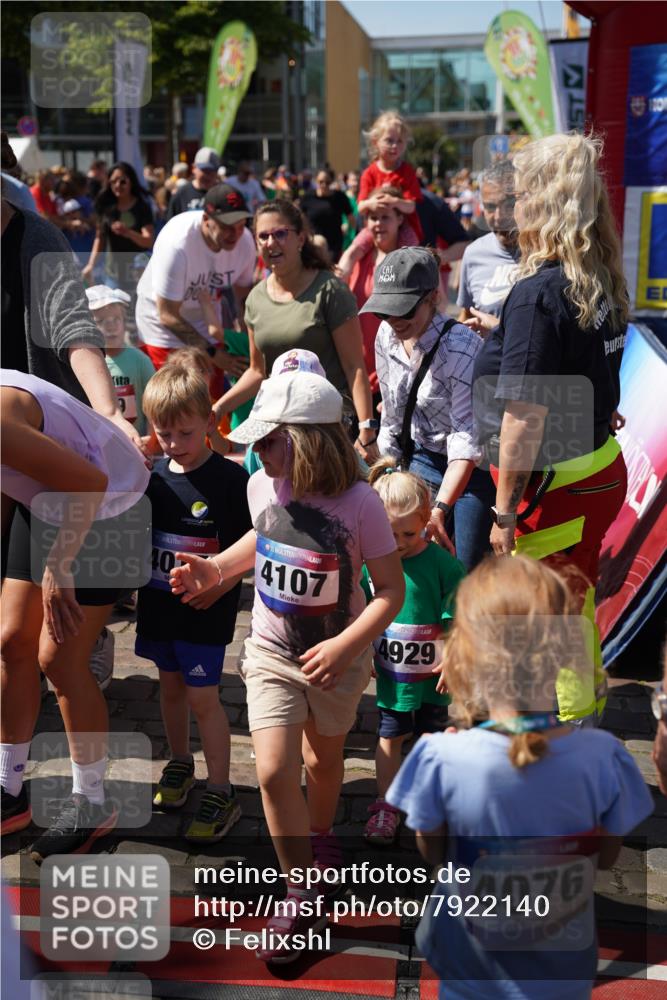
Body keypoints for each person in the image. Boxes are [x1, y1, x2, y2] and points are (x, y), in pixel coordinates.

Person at [170, 368, 404, 963]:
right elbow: (262, 539)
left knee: (322, 762)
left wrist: (346, 647)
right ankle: (299, 889)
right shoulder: (264, 486)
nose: (258, 452)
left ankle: (320, 838)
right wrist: (216, 571)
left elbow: (390, 594)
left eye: (269, 441)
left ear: (308, 441)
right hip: (270, 651)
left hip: (336, 661)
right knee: (274, 771)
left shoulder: (361, 503)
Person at [386, 556, 654, 1000]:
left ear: (467, 656)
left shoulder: (441, 757)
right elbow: (606, 859)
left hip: (470, 969)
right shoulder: (605, 758)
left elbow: (432, 851)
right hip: (562, 972)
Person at [472, 132, 630, 725]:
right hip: (591, 468)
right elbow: (590, 373)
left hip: (551, 486)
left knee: (548, 614)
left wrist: (504, 512)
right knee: (573, 604)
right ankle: (578, 723)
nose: (512, 205)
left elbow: (523, 415)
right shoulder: (599, 276)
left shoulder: (540, 293)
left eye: (522, 193)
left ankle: (561, 740)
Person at [0, 370, 149, 850]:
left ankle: (92, 800)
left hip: (110, 502)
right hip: (45, 496)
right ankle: (8, 788)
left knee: (58, 659)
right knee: (9, 639)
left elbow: (91, 481)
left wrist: (58, 565)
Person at [135, 365, 251, 842]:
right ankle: (180, 762)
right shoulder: (154, 476)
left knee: (204, 697)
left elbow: (247, 547)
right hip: (160, 607)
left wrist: (219, 587)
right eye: (164, 433)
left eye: (185, 431)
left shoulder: (229, 479)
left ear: (209, 421)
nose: (174, 442)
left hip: (205, 612)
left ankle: (221, 788)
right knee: (169, 688)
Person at [212, 199, 381, 466]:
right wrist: (218, 408)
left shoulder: (330, 290)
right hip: (275, 430)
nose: (271, 243)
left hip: (326, 428)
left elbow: (354, 367)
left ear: (301, 238)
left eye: (280, 233)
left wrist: (366, 429)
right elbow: (257, 372)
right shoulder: (256, 298)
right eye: (263, 236)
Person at [361, 246, 495, 571]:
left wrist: (439, 508)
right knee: (411, 562)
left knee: (463, 569)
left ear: (433, 297)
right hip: (420, 458)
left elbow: (466, 438)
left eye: (404, 310)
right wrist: (388, 472)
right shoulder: (386, 335)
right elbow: (392, 413)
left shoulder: (462, 348)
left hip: (472, 472)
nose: (393, 320)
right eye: (384, 310)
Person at [361, 459, 465, 846]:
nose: (400, 543)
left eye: (409, 532)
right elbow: (361, 607)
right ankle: (386, 804)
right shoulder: (372, 560)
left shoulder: (443, 565)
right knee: (390, 736)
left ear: (426, 519)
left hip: (433, 678)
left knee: (429, 739)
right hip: (393, 674)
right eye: (390, 534)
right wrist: (363, 650)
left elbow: (458, 617)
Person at [134, 183, 255, 379]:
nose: (236, 234)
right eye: (227, 226)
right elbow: (167, 314)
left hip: (205, 324)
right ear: (206, 219)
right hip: (160, 328)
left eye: (241, 225)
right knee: (172, 402)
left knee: (210, 402)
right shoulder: (178, 243)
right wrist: (214, 354)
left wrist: (248, 342)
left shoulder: (245, 243)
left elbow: (244, 300)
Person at [344, 185, 404, 402]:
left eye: (385, 217)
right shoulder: (359, 258)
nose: (378, 224)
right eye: (373, 217)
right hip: (358, 373)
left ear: (400, 219)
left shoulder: (409, 260)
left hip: (397, 377)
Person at [457, 159, 521, 336]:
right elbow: (467, 313)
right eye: (491, 206)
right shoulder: (473, 253)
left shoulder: (549, 252)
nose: (499, 217)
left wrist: (499, 329)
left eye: (509, 205)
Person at [86, 286, 156, 436]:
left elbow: (155, 406)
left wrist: (150, 440)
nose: (111, 326)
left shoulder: (140, 361)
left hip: (137, 444)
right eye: (101, 321)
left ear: (124, 321)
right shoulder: (86, 365)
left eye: (116, 319)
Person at [82, 162, 154, 296]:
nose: (117, 185)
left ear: (131, 182)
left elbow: (148, 241)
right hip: (112, 274)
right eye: (113, 181)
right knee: (115, 314)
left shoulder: (142, 206)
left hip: (138, 273)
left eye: (122, 181)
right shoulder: (106, 206)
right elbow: (100, 238)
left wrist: (127, 232)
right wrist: (91, 265)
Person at [358, 111, 423, 243]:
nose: (395, 146)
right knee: (355, 247)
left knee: (411, 253)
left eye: (400, 141)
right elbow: (360, 207)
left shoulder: (407, 172)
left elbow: (411, 206)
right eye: (389, 140)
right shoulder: (369, 173)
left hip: (403, 228)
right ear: (376, 142)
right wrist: (372, 203)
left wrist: (394, 201)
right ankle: (341, 264)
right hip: (376, 228)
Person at [300, 168, 354, 262]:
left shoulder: (339, 197)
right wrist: (306, 232)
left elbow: (351, 218)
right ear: (316, 181)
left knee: (329, 270)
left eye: (327, 182)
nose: (324, 185)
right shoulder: (308, 197)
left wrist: (348, 230)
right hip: (313, 243)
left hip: (334, 244)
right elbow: (301, 217)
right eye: (321, 182)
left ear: (332, 182)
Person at [166, 147, 221, 220]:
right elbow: (171, 226)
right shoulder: (181, 195)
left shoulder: (225, 193)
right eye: (205, 170)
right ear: (194, 168)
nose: (208, 175)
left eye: (212, 170)